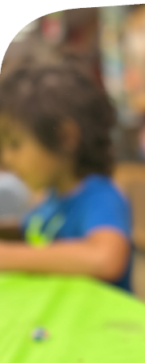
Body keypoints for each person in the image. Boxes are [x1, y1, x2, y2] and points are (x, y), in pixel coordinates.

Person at [0, 55, 133, 292]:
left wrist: (7, 256)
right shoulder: (53, 197)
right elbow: (32, 228)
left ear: (64, 137)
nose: (6, 158)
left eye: (15, 143)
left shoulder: (100, 196)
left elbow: (106, 258)